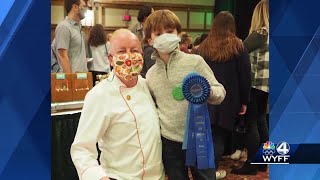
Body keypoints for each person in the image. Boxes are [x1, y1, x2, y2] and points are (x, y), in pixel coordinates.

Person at [71, 29, 165, 180]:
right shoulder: (99, 95)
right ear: (110, 58)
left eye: (134, 50)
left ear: (142, 56)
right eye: (122, 51)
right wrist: (98, 177)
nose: (129, 56)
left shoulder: (148, 86)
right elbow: (82, 149)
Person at [144, 9, 226, 180]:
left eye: (169, 31)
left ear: (178, 34)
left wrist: (207, 91)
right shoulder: (150, 75)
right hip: (168, 141)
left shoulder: (195, 62)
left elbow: (220, 92)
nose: (164, 36)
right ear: (150, 39)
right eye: (158, 33)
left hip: (198, 137)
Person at [196, 11, 251, 179]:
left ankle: (205, 172)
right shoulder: (238, 46)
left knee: (206, 137)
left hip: (204, 97)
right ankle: (210, 173)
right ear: (231, 26)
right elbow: (245, 76)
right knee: (219, 137)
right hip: (228, 100)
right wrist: (244, 101)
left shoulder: (203, 46)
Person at [231, 0, 269, 175]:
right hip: (267, 86)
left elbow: (240, 49)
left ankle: (251, 164)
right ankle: (263, 162)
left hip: (255, 84)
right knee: (261, 122)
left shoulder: (260, 33)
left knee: (251, 123)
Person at [52, 0, 88, 73]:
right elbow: (62, 56)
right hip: (72, 79)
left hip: (81, 77)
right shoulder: (64, 27)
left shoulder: (78, 27)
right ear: (75, 7)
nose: (86, 10)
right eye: (84, 7)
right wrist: (70, 79)